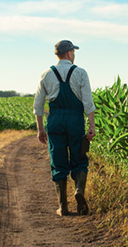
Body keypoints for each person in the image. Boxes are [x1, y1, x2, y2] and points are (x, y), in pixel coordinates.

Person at [33, 40, 96, 216]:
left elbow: (38, 106)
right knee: (79, 158)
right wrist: (91, 126)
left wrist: (40, 129)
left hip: (55, 121)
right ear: (69, 53)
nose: (74, 55)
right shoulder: (81, 73)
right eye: (73, 52)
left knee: (58, 161)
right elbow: (88, 103)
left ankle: (63, 207)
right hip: (75, 120)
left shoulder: (46, 74)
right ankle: (79, 191)